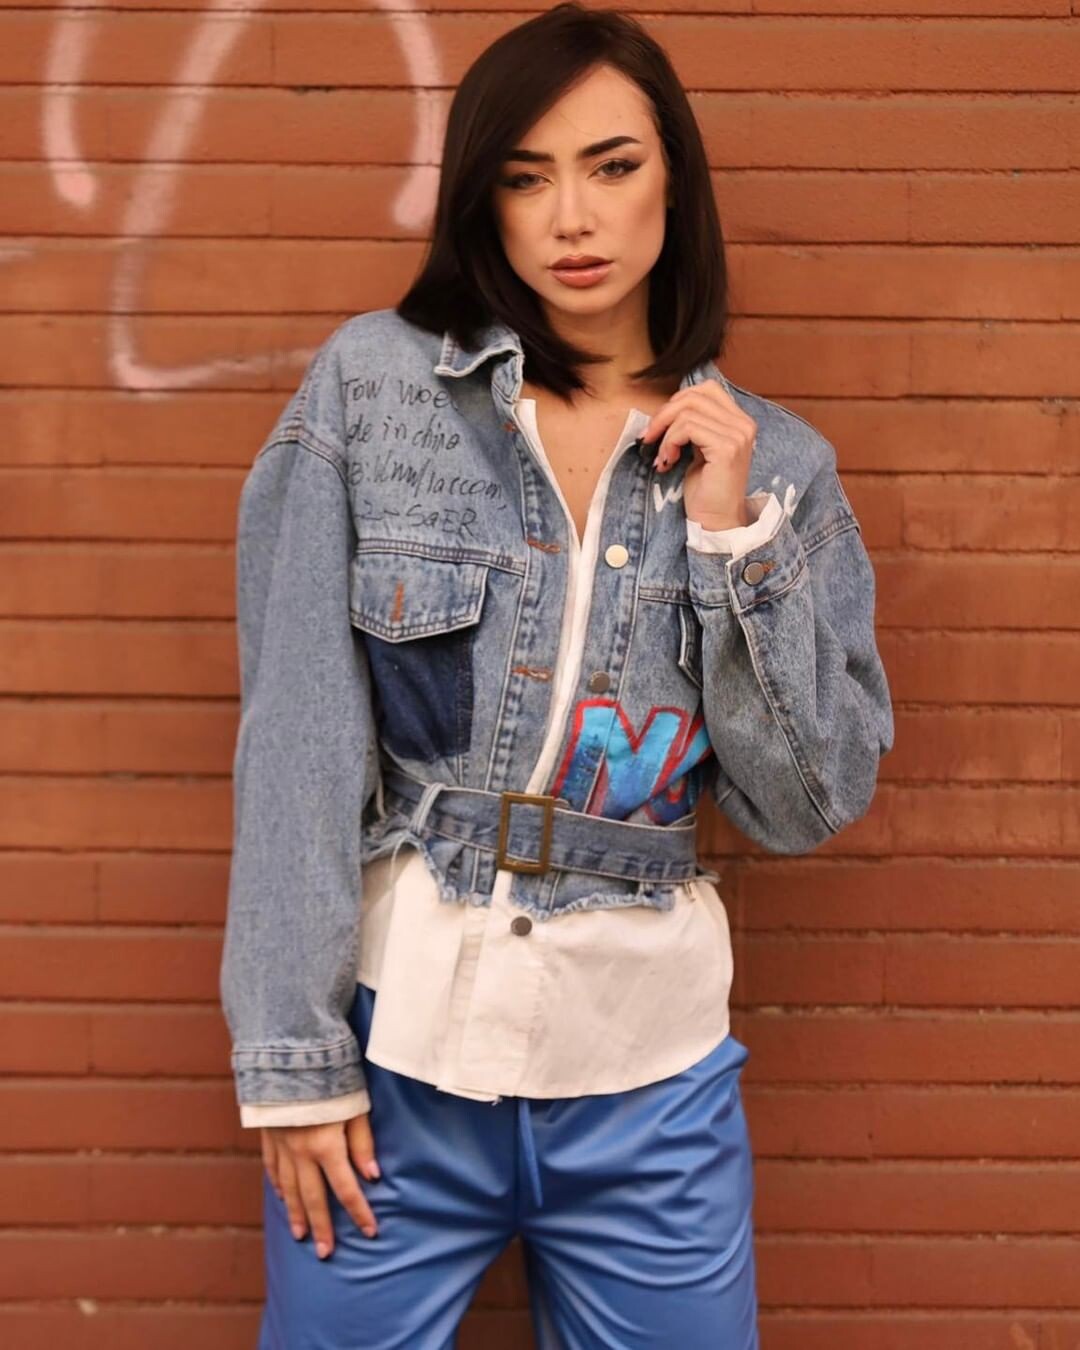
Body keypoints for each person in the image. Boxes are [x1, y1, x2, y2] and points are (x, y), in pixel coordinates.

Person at [219, 3, 895, 1346]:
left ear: (672, 183)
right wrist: (293, 1058)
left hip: (651, 1079)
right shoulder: (375, 390)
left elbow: (805, 803)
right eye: (527, 178)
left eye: (612, 165)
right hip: (399, 1062)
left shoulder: (776, 468)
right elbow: (296, 736)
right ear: (485, 201)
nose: (572, 218)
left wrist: (732, 541)